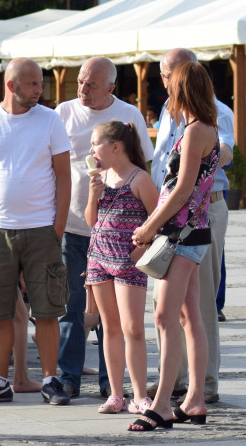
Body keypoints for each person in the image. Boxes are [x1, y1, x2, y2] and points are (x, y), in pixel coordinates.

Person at [0, 57, 72, 405]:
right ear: (12, 86)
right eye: (33, 84)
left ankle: (51, 381)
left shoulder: (50, 120)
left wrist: (58, 228)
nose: (41, 89)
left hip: (42, 230)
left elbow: (65, 176)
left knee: (48, 309)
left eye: (41, 83)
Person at [128, 61, 220, 432]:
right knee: (187, 317)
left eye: (171, 86)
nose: (166, 93)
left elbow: (182, 188)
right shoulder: (200, 127)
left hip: (182, 233)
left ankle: (164, 403)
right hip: (189, 231)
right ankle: (194, 399)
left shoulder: (197, 130)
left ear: (184, 90)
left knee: (165, 316)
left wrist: (149, 225)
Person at [55, 56, 153, 399]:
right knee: (72, 308)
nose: (83, 89)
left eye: (91, 84)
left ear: (110, 88)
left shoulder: (129, 115)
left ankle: (110, 384)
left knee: (113, 320)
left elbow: (145, 164)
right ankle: (68, 377)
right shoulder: (63, 113)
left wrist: (144, 233)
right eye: (80, 81)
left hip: (121, 238)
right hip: (74, 224)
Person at [149, 48, 234, 405]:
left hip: (198, 213)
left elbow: (223, 152)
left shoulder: (211, 116)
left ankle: (202, 385)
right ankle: (180, 382)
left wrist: (202, 154)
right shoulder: (175, 115)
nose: (165, 83)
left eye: (170, 76)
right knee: (179, 307)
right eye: (164, 75)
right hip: (174, 216)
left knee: (193, 305)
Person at [85, 121, 158, 415]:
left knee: (133, 329)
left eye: (96, 143)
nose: (91, 150)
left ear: (116, 147)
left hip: (128, 264)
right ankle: (116, 394)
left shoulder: (139, 179)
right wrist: (93, 194)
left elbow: (158, 219)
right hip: (99, 260)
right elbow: (92, 221)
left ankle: (140, 395)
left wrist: (143, 246)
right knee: (110, 328)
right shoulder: (100, 177)